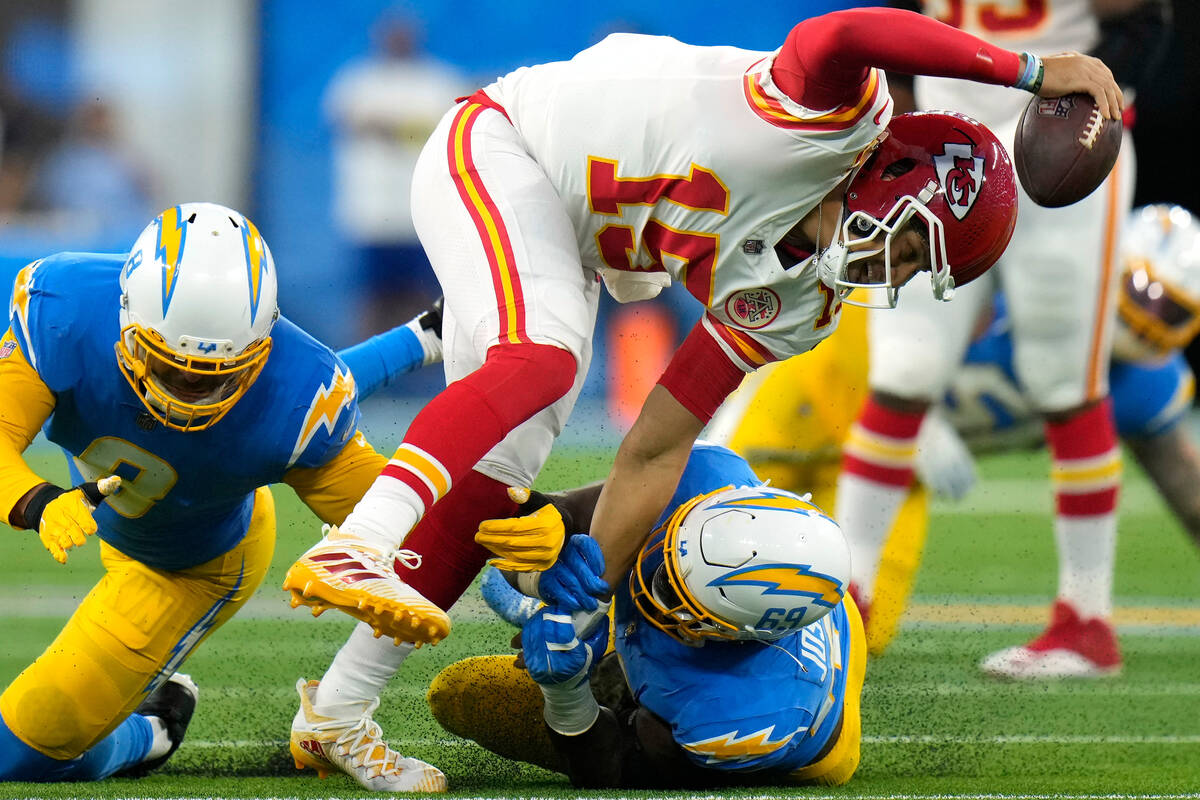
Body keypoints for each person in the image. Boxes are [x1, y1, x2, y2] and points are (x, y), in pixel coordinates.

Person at [282, 7, 1122, 786]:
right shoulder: (830, 119)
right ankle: (364, 536)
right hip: (504, 144)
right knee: (543, 359)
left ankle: (340, 708)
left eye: (914, 271)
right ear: (894, 175)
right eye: (910, 247)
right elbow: (844, 32)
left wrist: (588, 599)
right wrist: (1030, 72)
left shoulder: (802, 300)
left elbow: (658, 440)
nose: (892, 272)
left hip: (572, 235)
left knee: (493, 475)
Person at [0, 202, 445, 788]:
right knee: (267, 415)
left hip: (189, 563)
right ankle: (422, 335)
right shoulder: (66, 308)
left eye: (217, 375)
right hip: (136, 513)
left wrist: (522, 534)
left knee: (22, 751)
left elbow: (405, 509)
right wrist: (35, 499)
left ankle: (150, 732)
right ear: (126, 316)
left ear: (261, 342)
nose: (190, 391)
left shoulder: (295, 384)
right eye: (171, 367)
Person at [834, 0, 1169, 680]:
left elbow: (1143, 19)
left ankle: (1086, 619)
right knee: (903, 370)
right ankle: (848, 599)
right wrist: (897, 112)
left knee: (1065, 382)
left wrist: (1104, 98)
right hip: (943, 142)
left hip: (1057, 136)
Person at [710, 202, 1200, 657]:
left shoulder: (1143, 387)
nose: (1148, 322)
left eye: (1172, 310)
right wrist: (912, 418)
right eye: (1143, 293)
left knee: (860, 633)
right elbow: (861, 313)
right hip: (803, 409)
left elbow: (1186, 487)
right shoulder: (1020, 295)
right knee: (711, 557)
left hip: (891, 477)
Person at [428, 442, 866, 788]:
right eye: (672, 543)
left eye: (665, 586)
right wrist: (537, 578)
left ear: (718, 633)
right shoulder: (706, 478)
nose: (647, 568)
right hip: (799, 624)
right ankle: (583, 628)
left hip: (794, 728)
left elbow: (612, 769)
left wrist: (565, 694)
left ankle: (602, 657)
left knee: (467, 692)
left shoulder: (731, 718)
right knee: (521, 571)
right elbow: (560, 513)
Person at [324, 10, 471, 332]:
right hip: (372, 215)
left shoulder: (439, 82)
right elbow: (351, 121)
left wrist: (391, 127)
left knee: (425, 298)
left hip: (424, 213)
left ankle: (424, 375)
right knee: (374, 297)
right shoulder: (358, 82)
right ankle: (363, 372)